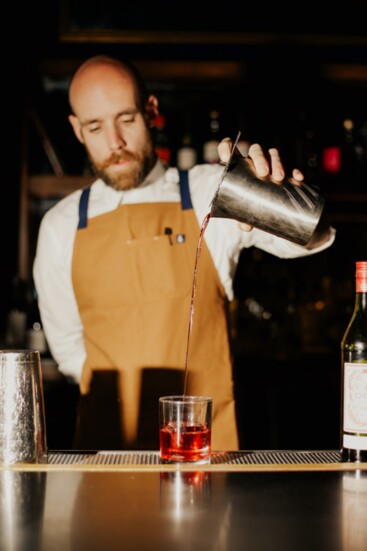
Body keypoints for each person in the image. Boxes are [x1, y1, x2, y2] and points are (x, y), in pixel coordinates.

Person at [33, 55, 335, 451]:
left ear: (151, 112)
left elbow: (313, 236)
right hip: (103, 457)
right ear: (76, 129)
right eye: (95, 126)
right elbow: (70, 352)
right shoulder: (61, 225)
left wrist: (280, 192)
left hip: (207, 454)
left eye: (126, 119)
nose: (115, 143)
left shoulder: (209, 190)